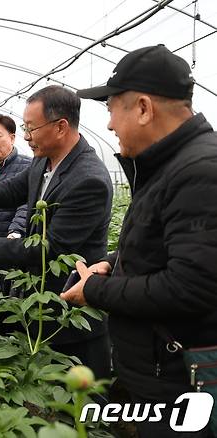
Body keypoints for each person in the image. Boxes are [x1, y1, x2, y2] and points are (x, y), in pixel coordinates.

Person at [63, 44, 217, 437]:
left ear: (144, 108)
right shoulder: (168, 165)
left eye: (112, 109)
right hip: (158, 372)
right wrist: (114, 262)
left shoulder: (200, 171)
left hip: (182, 383)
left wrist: (96, 289)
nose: (110, 125)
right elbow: (167, 245)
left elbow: (191, 288)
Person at [0, 85, 113, 380]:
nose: (26, 136)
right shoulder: (45, 160)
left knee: (82, 407)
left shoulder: (88, 179)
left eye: (31, 128)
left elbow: (51, 250)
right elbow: (15, 188)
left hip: (68, 312)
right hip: (36, 304)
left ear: (60, 127)